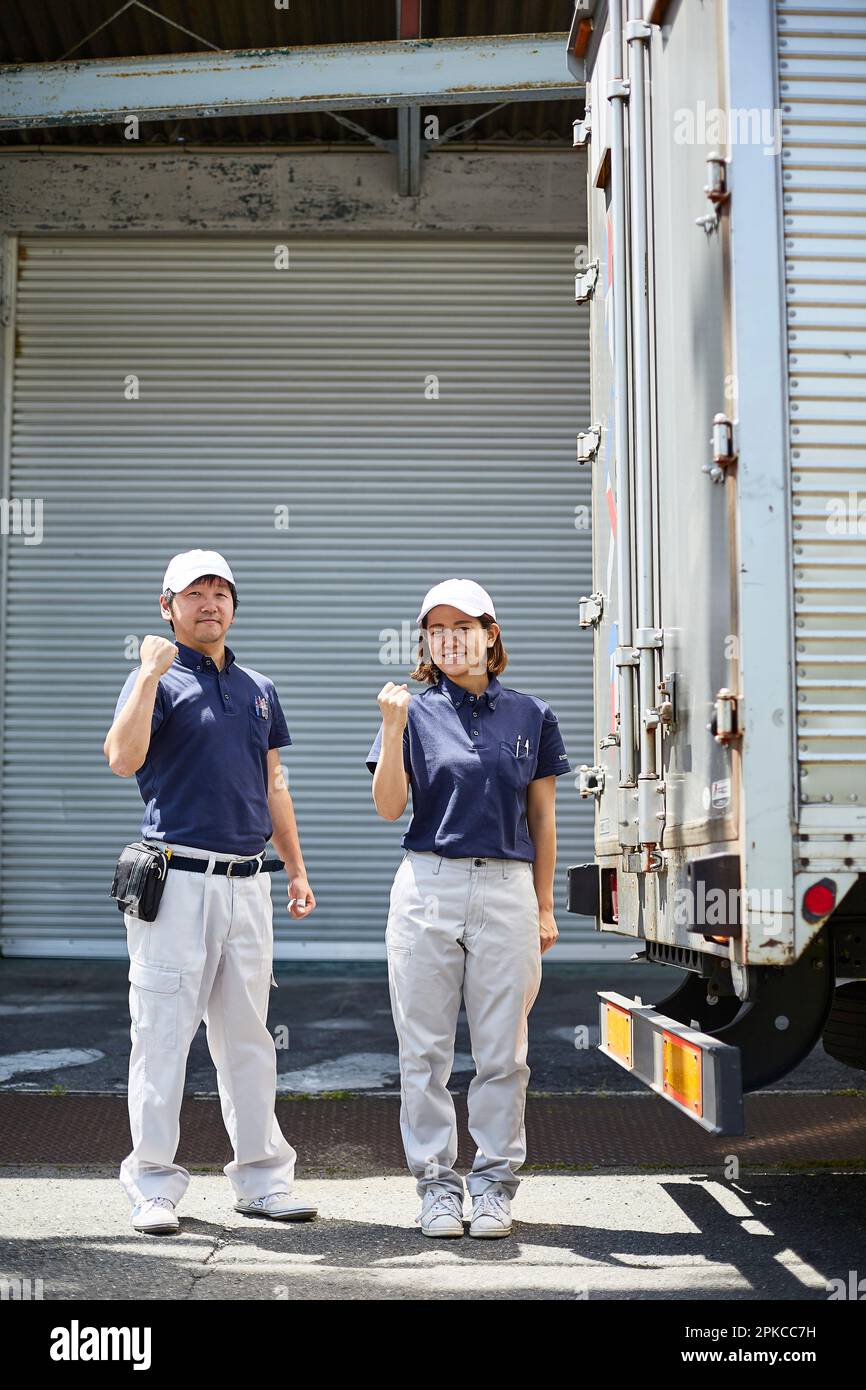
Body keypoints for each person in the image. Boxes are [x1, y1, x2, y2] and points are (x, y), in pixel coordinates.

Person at [104, 549, 317, 1234]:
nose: (209, 603)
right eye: (193, 593)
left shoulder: (259, 687)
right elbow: (122, 758)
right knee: (162, 1036)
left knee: (248, 1040)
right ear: (166, 607)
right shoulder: (158, 681)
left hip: (247, 884)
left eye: (220, 591)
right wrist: (146, 675)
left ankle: (262, 1181)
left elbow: (273, 784)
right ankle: (153, 1187)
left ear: (233, 605)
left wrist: (298, 867)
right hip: (176, 882)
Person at [366, 578, 572, 1239]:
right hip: (428, 884)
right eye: (437, 628)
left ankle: (491, 1187)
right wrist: (393, 725)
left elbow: (542, 816)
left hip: (507, 888)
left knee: (503, 1052)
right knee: (423, 1050)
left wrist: (544, 906)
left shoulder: (531, 715)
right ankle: (435, 1186)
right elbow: (389, 806)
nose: (450, 637)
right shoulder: (414, 713)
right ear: (426, 641)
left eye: (464, 625)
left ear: (491, 634)